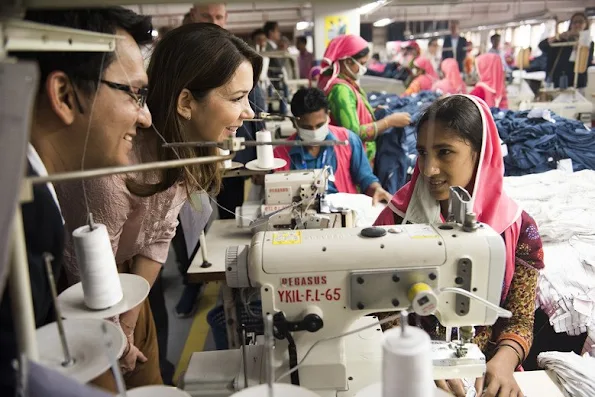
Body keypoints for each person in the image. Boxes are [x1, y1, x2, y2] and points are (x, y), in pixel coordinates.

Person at [55, 23, 261, 391]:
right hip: (84, 296)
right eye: (236, 98)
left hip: (129, 288)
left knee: (148, 376)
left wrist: (130, 322)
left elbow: (159, 236)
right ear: (185, 103)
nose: (247, 112)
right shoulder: (115, 172)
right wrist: (117, 335)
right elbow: (85, 273)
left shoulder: (185, 153)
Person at [0, 7, 153, 395]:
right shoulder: (23, 219)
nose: (145, 118)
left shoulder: (32, 192)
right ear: (65, 95)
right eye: (135, 94)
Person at [374, 95, 544, 397]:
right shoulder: (393, 222)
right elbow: (380, 308)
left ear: (480, 154)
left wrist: (504, 361)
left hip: (485, 372)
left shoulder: (519, 229)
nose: (428, 169)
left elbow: (519, 317)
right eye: (423, 153)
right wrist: (413, 359)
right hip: (409, 365)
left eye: (445, 153)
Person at [273, 88, 392, 204]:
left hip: (344, 211)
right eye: (307, 127)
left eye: (319, 125)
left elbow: (366, 178)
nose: (314, 131)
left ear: (328, 116)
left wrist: (377, 189)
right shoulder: (280, 155)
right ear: (294, 123)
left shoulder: (348, 140)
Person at [318, 34, 410, 163]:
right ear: (347, 61)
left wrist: (369, 111)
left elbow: (351, 112)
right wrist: (389, 122)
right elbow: (353, 134)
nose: (364, 68)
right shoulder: (341, 90)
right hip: (352, 161)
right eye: (361, 63)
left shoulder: (347, 83)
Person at [539, 12, 593, 90]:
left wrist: (579, 46)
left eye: (580, 22)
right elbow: (542, 46)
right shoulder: (561, 40)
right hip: (558, 80)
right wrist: (558, 37)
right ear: (570, 25)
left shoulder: (588, 43)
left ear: (585, 24)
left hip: (578, 82)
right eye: (574, 22)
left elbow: (587, 62)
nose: (577, 25)